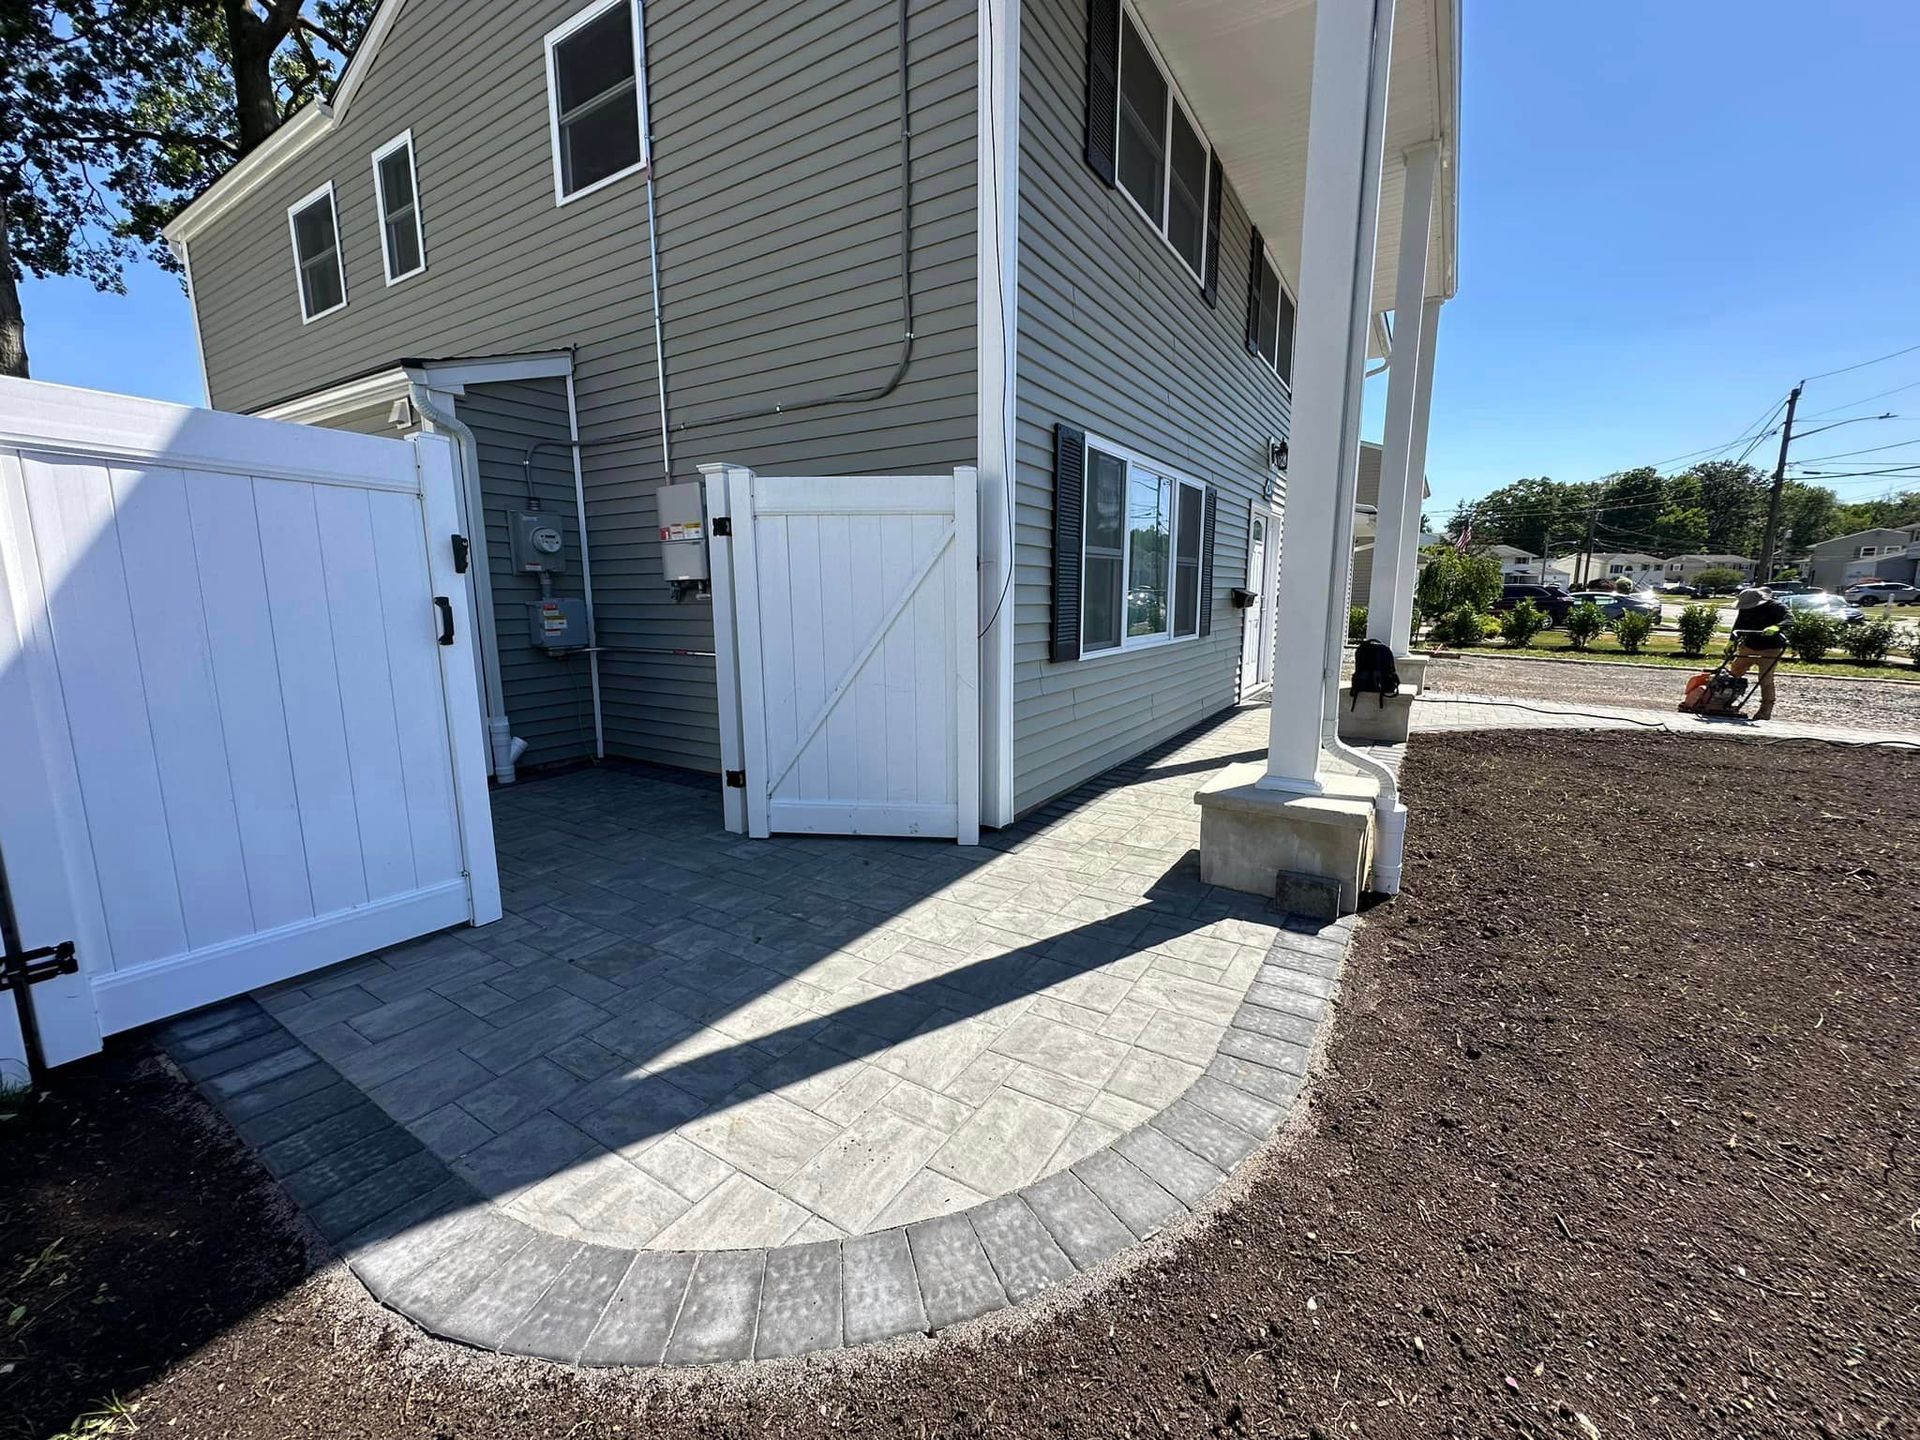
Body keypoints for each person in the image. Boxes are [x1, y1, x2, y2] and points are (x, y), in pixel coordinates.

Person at [1728, 586, 1789, 720]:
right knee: (1733, 673)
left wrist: (1777, 627)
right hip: (1749, 646)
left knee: (1765, 679)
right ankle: (1724, 702)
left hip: (1770, 649)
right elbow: (1738, 624)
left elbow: (1790, 620)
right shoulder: (1745, 608)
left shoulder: (1777, 607)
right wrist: (1732, 641)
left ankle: (1765, 711)